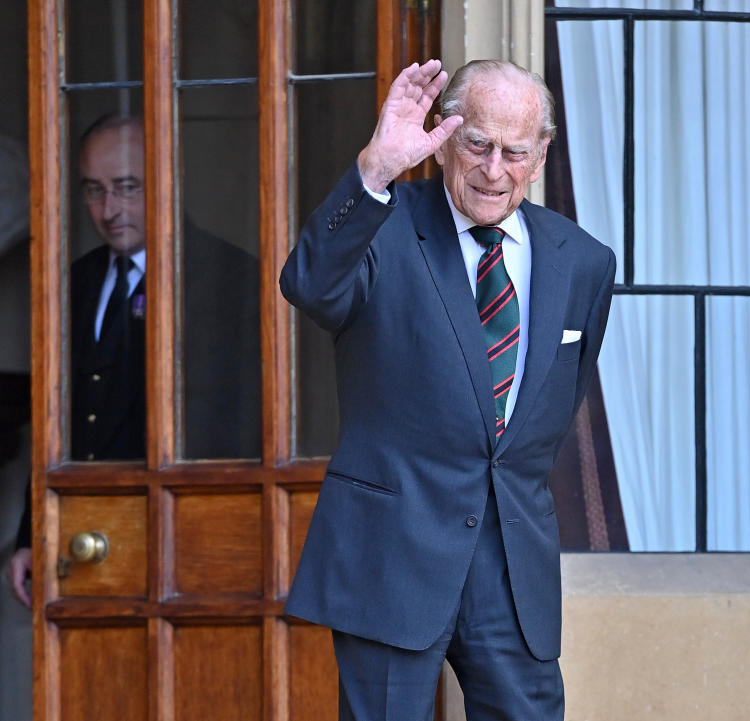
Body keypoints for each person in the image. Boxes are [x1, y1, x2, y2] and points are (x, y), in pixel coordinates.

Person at [281, 59, 616, 720]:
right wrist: (375, 168)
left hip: (512, 566)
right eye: (478, 144)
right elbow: (309, 284)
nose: (495, 169)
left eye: (515, 151)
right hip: (392, 552)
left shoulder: (583, 261)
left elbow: (550, 406)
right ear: (443, 137)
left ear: (541, 154)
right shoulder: (385, 223)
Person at [5, 113, 261, 607]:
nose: (109, 209)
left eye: (126, 187)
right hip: (84, 550)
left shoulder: (228, 279)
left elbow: (238, 424)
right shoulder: (72, 284)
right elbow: (56, 424)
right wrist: (30, 535)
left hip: (188, 549)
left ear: (168, 178)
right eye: (93, 190)